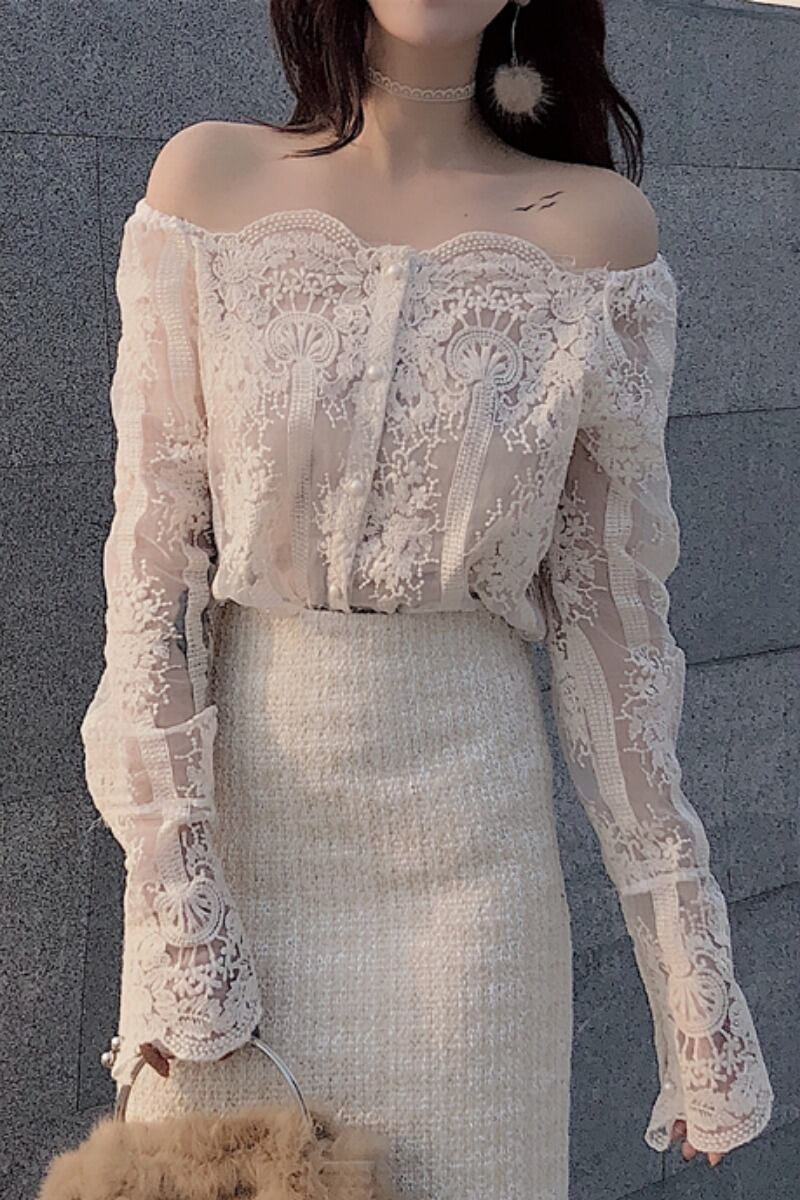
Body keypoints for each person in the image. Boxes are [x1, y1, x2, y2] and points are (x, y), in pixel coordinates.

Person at [80, 2, 774, 1197]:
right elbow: (149, 586)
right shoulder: (209, 183)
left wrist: (691, 983)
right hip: (243, 866)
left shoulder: (596, 233)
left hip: (472, 884)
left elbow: (612, 634)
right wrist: (180, 917)